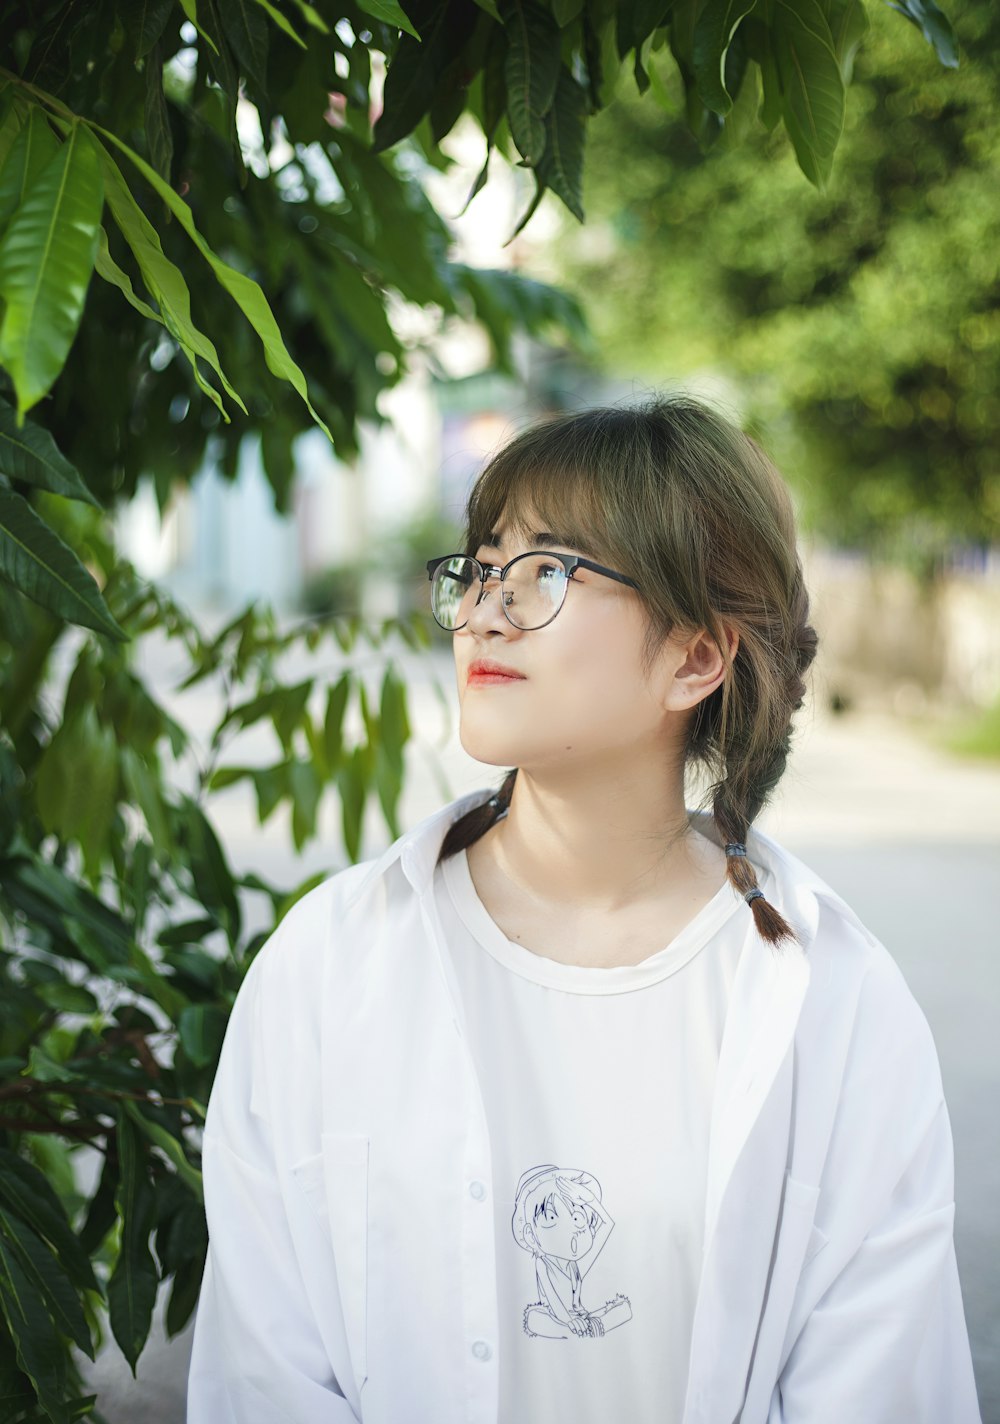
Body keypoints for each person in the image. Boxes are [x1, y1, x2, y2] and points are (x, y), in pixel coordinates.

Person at [186, 396, 981, 1424]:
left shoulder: (832, 1002)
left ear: (695, 657)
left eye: (545, 572)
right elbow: (264, 1376)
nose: (481, 610)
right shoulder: (330, 961)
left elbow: (882, 1385)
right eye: (480, 567)